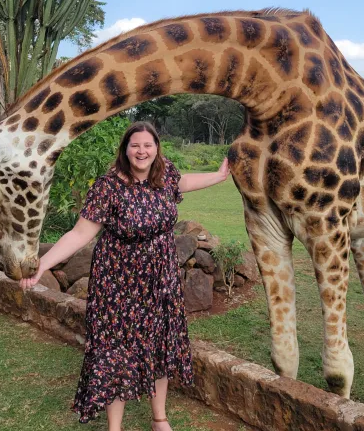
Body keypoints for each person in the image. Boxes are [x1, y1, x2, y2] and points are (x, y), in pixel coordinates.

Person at [20, 121, 230, 431]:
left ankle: (160, 418)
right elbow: (79, 234)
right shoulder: (109, 186)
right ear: (125, 150)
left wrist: (219, 176)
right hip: (119, 283)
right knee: (115, 351)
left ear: (156, 148)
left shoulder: (165, 174)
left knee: (160, 343)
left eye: (147, 145)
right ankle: (114, 427)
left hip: (160, 278)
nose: (142, 151)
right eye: (135, 145)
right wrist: (43, 263)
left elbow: (183, 182)